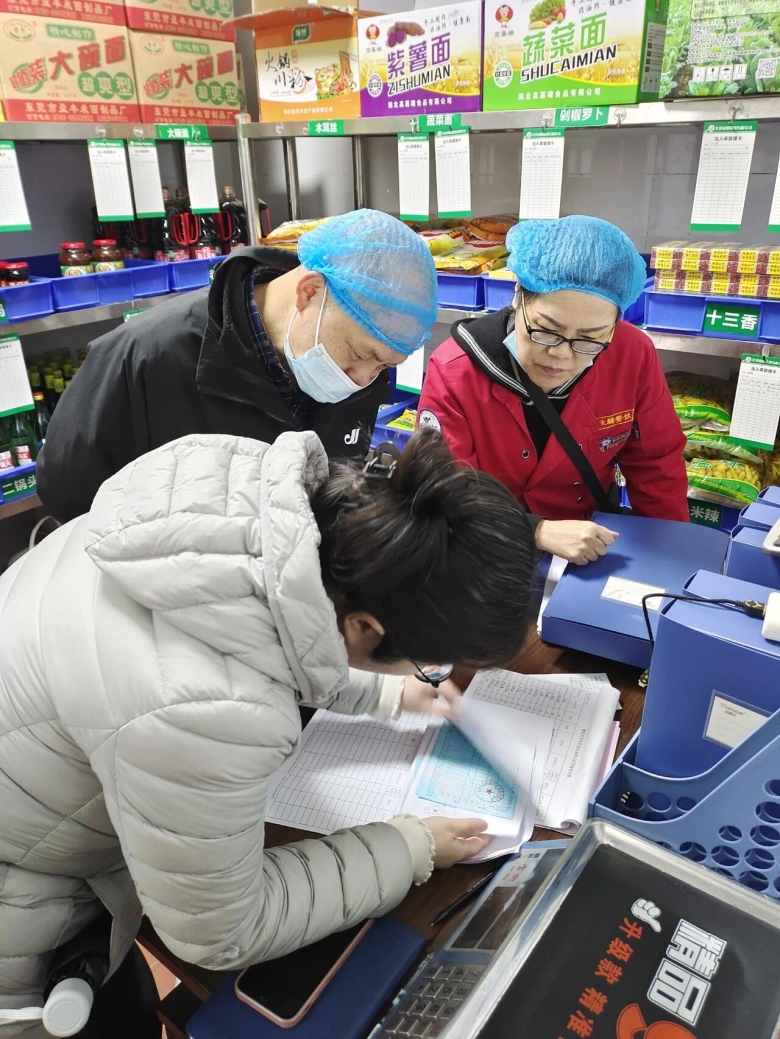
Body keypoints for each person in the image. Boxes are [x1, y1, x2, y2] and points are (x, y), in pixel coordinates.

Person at [0, 429, 536, 1036]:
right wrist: (410, 847)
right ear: (366, 627)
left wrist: (387, 692)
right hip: (24, 922)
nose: (426, 674)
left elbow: (276, 628)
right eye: (426, 663)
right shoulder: (205, 710)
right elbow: (219, 930)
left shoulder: (250, 497)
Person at [37, 209, 438, 522]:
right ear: (309, 292)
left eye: (384, 366)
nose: (362, 380)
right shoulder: (144, 356)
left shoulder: (360, 376)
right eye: (361, 354)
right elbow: (69, 493)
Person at [418, 216, 688, 566]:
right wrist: (536, 531)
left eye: (590, 339)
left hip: (589, 546)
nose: (561, 355)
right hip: (483, 546)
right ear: (518, 295)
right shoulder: (456, 370)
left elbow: (656, 463)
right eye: (546, 331)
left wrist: (670, 560)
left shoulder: (631, 354)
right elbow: (444, 492)